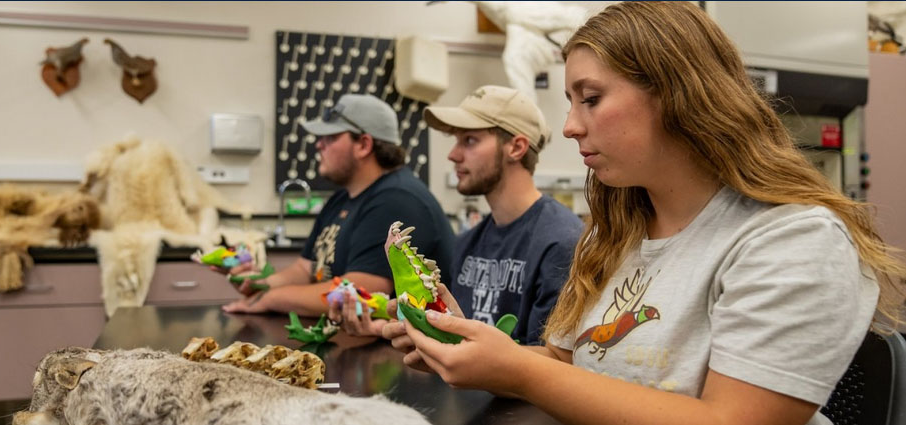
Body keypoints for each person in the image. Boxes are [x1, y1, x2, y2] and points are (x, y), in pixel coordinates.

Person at [382, 3, 906, 425]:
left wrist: (516, 370)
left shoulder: (794, 240)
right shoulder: (614, 234)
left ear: (679, 95)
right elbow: (574, 367)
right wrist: (473, 347)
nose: (568, 127)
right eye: (569, 102)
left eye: (590, 98)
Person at [331, 85, 584, 344]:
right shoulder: (467, 242)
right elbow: (460, 341)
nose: (453, 155)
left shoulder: (561, 243)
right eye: (456, 141)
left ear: (516, 148)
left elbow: (550, 367)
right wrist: (390, 329)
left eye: (470, 140)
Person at [221, 93, 455, 317]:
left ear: (363, 144)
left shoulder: (397, 200)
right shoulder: (342, 199)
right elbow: (306, 269)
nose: (319, 145)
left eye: (330, 137)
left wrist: (270, 298)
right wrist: (258, 284)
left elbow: (360, 292)